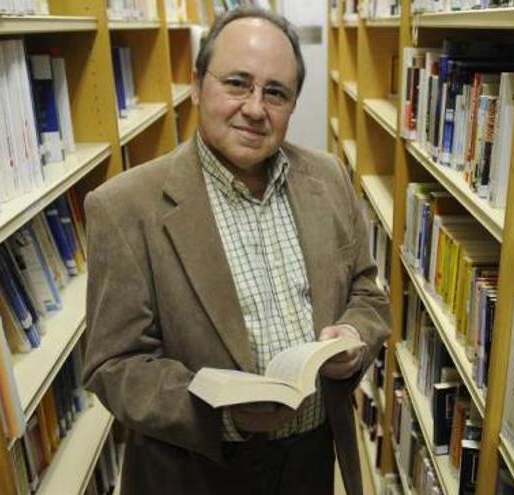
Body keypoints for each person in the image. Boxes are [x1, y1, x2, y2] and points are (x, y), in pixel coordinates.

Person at [82, 7, 390, 495]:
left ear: (292, 105)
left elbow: (366, 290)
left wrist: (354, 335)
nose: (255, 107)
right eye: (237, 84)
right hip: (195, 471)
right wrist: (216, 411)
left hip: (310, 460)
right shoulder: (125, 207)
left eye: (275, 93)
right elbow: (114, 366)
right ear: (199, 83)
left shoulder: (328, 177)